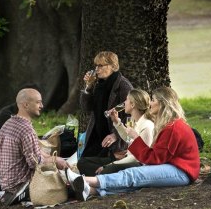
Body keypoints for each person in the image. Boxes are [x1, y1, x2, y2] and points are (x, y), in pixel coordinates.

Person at [69, 87, 200, 201]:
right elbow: (155, 156)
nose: (150, 104)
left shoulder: (172, 127)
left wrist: (136, 139)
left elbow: (154, 159)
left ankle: (83, 180)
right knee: (139, 181)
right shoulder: (170, 125)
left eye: (153, 100)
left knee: (135, 174)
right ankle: (90, 191)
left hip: (182, 172)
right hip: (175, 167)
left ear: (162, 104)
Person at [0, 88, 68, 205]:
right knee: (66, 186)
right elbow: (35, 163)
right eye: (38, 102)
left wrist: (51, 158)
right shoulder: (26, 130)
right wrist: (56, 160)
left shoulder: (8, 123)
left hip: (6, 184)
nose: (42, 105)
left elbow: (35, 152)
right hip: (21, 185)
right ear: (26, 105)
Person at [78, 51, 133, 176]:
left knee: (86, 165)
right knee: (82, 163)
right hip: (97, 136)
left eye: (101, 66)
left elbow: (131, 116)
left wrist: (115, 135)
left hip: (114, 140)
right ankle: (105, 173)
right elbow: (86, 107)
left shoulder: (123, 85)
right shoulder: (98, 84)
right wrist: (88, 86)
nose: (97, 69)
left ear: (112, 66)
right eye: (96, 66)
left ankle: (110, 171)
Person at [78, 89, 154, 176]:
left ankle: (97, 179)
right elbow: (128, 138)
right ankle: (99, 177)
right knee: (82, 162)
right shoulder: (134, 121)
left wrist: (109, 165)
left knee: (104, 171)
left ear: (132, 104)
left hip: (134, 165)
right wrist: (116, 121)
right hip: (125, 159)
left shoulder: (146, 126)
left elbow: (138, 158)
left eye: (126, 100)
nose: (124, 102)